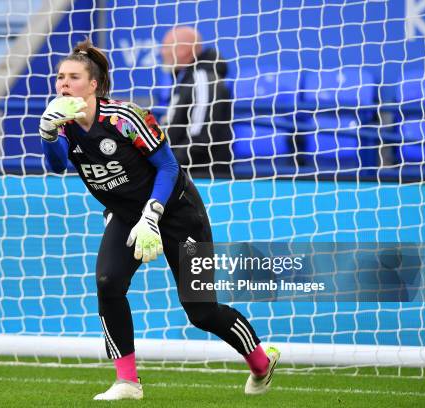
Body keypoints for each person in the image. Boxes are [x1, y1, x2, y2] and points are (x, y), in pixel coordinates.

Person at [38, 38, 279, 401]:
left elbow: (168, 165)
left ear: (93, 84)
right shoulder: (62, 122)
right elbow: (57, 164)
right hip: (125, 216)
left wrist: (152, 215)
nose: (63, 84)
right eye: (59, 77)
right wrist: (47, 134)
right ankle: (126, 382)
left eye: (73, 77)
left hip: (178, 213)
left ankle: (261, 361)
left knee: (201, 310)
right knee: (108, 281)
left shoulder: (125, 117)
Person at [160, 26, 232, 178]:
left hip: (202, 178)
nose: (162, 52)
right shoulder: (186, 78)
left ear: (186, 50)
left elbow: (201, 139)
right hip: (181, 174)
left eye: (167, 47)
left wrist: (163, 167)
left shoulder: (203, 79)